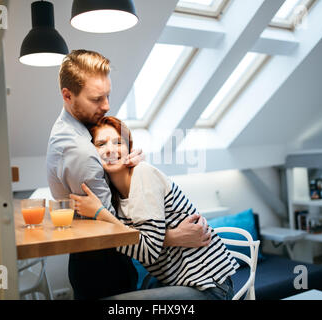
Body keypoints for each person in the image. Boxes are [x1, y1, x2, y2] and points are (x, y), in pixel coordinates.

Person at [46, 49, 213, 300]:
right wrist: (173, 237)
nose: (106, 106)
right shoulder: (80, 151)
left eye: (107, 95)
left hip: (97, 264)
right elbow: (110, 231)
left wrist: (129, 170)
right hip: (103, 270)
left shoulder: (73, 130)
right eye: (96, 99)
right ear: (67, 96)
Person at [71, 116, 240, 300]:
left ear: (129, 148)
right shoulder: (113, 196)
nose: (110, 149)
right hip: (178, 285)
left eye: (118, 142)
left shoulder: (143, 174)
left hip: (209, 288)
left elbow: (148, 252)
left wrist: (99, 212)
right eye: (101, 144)